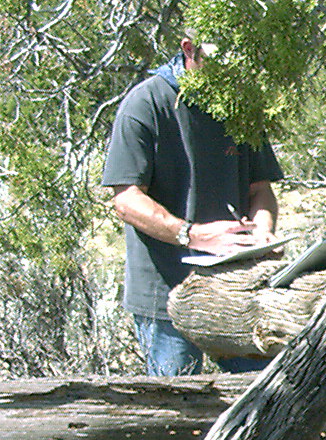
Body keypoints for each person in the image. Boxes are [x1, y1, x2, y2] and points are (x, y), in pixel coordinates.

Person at [102, 37, 284, 376]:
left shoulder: (241, 106)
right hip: (167, 293)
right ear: (188, 49)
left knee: (263, 394)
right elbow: (126, 200)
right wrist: (192, 235)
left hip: (236, 287)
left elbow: (260, 188)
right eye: (218, 60)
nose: (229, 71)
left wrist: (263, 234)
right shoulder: (146, 104)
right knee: (177, 410)